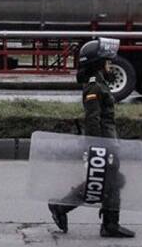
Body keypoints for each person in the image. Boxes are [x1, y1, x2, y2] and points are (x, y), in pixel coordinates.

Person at [47, 37, 135, 238]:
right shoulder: (94, 87)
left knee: (108, 181)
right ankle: (108, 224)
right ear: (98, 64)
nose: (110, 66)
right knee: (110, 181)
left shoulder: (100, 83)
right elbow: (92, 120)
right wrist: (98, 147)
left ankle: (65, 209)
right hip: (103, 143)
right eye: (107, 62)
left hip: (108, 142)